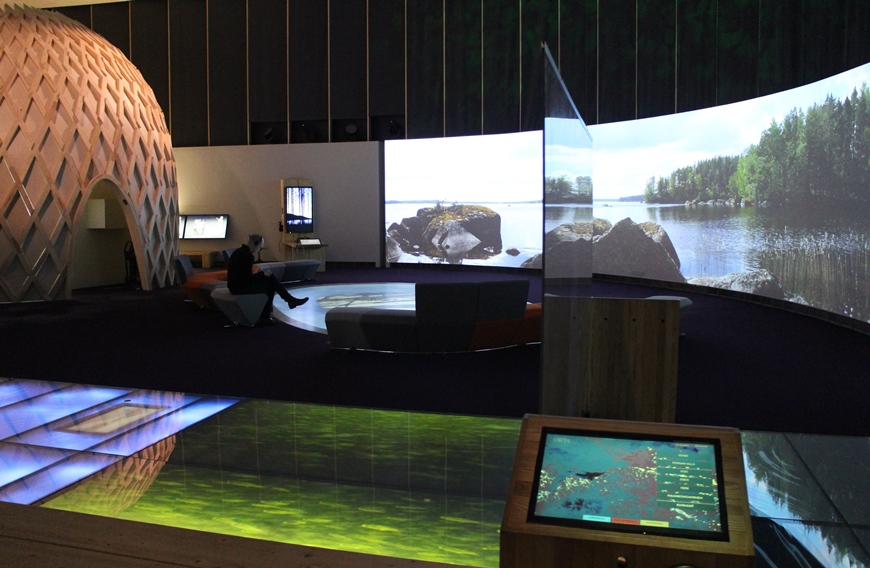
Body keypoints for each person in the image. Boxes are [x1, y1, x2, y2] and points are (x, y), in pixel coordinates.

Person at [227, 234, 308, 324]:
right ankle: (269, 314)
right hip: (239, 288)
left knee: (268, 276)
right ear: (256, 244)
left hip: (234, 285)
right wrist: (262, 275)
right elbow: (247, 278)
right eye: (259, 247)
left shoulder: (238, 251)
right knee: (270, 285)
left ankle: (288, 300)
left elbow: (243, 276)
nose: (258, 250)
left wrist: (262, 274)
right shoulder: (247, 255)